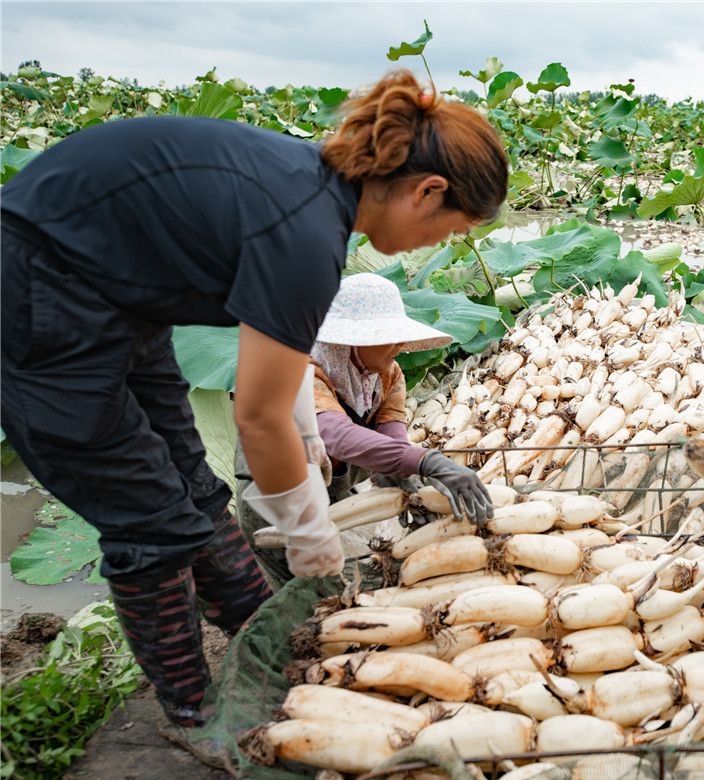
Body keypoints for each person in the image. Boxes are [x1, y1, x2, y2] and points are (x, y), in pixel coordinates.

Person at [0, 70, 508, 728]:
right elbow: (259, 416)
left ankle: (267, 649)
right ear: (427, 191)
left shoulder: (315, 198)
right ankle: (196, 712)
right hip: (43, 289)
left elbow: (285, 377)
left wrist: (311, 507)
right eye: (448, 229)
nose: (434, 245)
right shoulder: (306, 230)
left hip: (128, 297)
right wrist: (309, 536)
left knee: (197, 491)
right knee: (151, 521)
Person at [236, 273, 495, 586]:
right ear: (356, 339)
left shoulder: (387, 375)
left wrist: (406, 484)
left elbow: (392, 435)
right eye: (388, 336)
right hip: (276, 502)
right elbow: (335, 435)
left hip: (327, 496)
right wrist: (428, 461)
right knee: (305, 596)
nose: (399, 346)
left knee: (334, 589)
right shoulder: (299, 372)